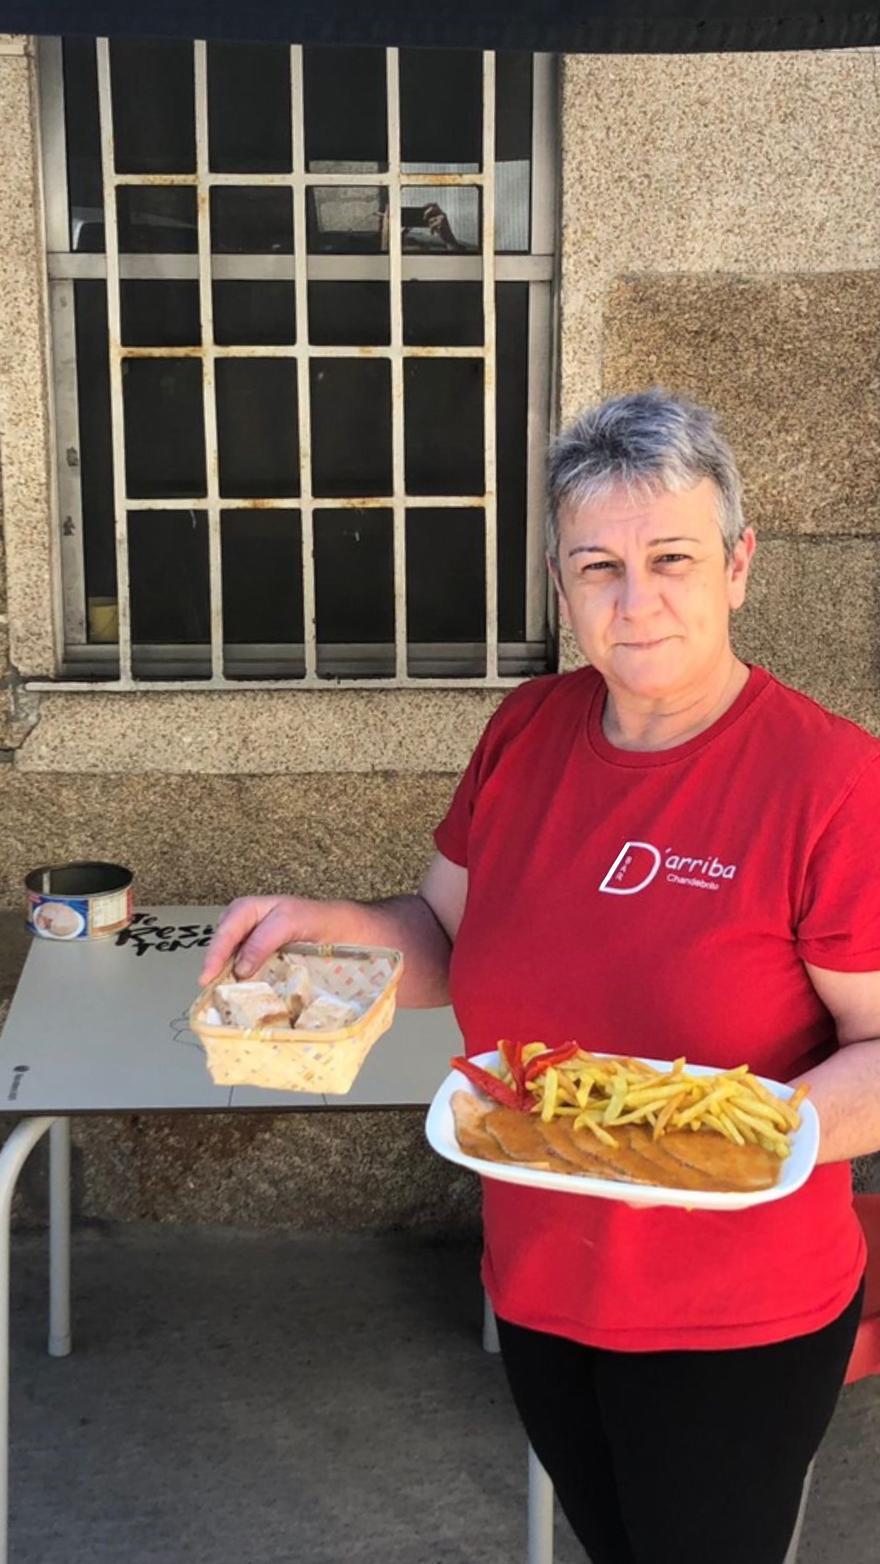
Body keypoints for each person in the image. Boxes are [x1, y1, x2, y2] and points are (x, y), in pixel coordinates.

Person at [201, 390, 880, 1564]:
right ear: (560, 584)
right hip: (539, 1277)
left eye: (671, 557)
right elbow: (441, 937)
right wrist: (329, 926)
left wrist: (726, 1139)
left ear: (739, 565)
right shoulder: (525, 731)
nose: (636, 599)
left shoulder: (831, 783)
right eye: (596, 565)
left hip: (733, 1311)